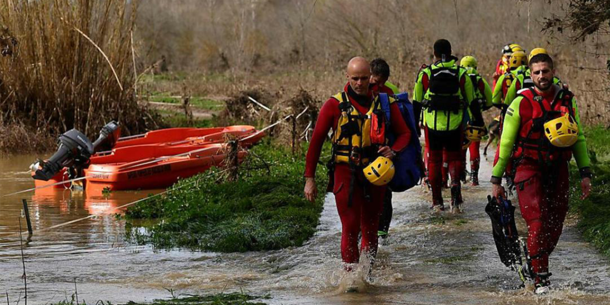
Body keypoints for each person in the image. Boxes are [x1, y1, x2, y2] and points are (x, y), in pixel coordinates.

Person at [491, 53, 592, 294]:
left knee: (555, 224)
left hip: (558, 168)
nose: (541, 76)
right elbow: (505, 144)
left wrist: (585, 172)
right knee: (536, 222)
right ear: (530, 74)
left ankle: (534, 261)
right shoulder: (520, 102)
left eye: (545, 71)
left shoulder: (567, 100)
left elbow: (578, 138)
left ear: (552, 71)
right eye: (536, 72)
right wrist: (496, 179)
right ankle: (541, 280)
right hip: (528, 167)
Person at [303, 57, 411, 275]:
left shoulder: (384, 102)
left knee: (371, 227)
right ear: (347, 77)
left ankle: (367, 274)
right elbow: (315, 142)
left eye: (364, 78)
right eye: (355, 79)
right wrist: (309, 179)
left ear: (370, 77)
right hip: (345, 173)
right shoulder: (333, 105)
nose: (360, 83)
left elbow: (405, 133)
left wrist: (394, 151)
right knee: (350, 227)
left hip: (375, 173)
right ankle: (351, 279)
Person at [413, 39, 474, 213]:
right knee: (454, 158)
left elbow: (417, 101)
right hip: (455, 124)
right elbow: (472, 101)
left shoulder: (426, 73)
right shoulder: (461, 73)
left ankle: (437, 201)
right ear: (451, 52)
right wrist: (477, 122)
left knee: (434, 160)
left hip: (432, 125)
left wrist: (416, 126)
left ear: (435, 54)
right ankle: (455, 195)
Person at [369, 58, 400, 242]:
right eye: (375, 82)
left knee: (385, 192)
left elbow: (400, 124)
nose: (378, 86)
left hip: (383, 149)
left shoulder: (390, 92)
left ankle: (381, 232)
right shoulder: (359, 89)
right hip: (364, 150)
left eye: (382, 83)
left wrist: (394, 150)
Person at [460, 55, 493, 186]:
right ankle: (474, 177)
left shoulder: (458, 78)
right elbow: (490, 100)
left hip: (460, 120)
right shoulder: (479, 80)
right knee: (475, 148)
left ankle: (461, 174)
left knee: (461, 148)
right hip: (476, 120)